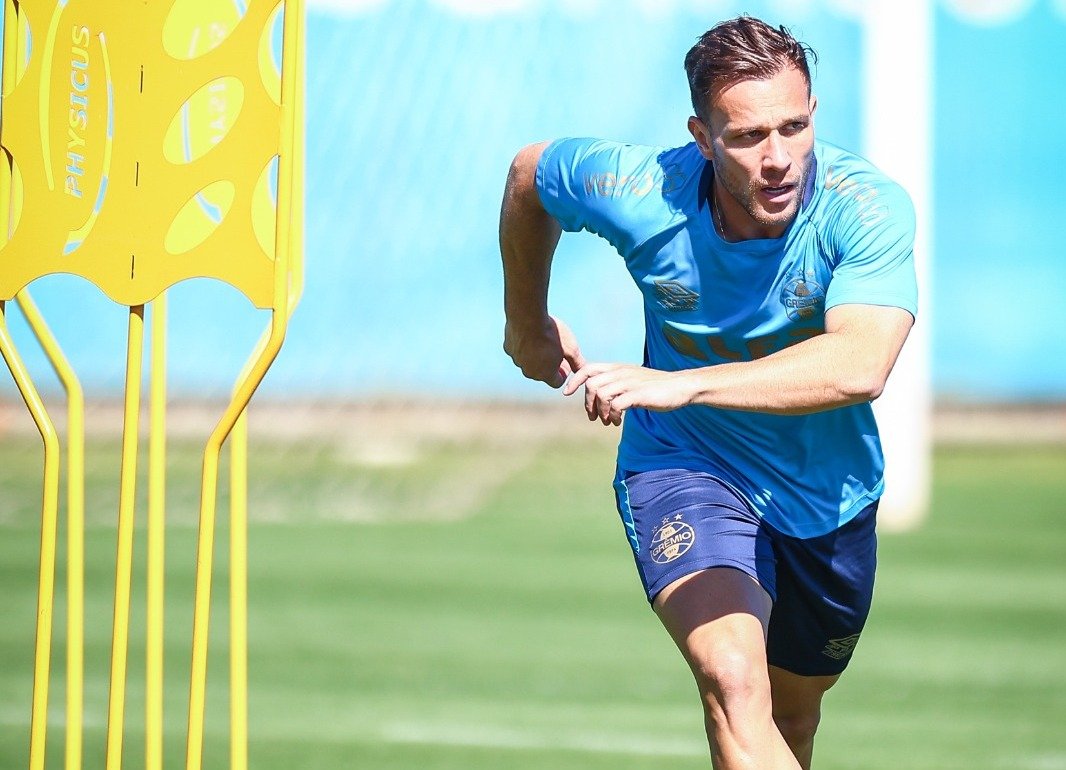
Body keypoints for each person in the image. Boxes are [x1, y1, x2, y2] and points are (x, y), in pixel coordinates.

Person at [498, 14, 917, 770]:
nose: (778, 159)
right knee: (731, 683)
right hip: (686, 466)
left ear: (815, 114)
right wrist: (524, 323)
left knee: (790, 717)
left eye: (794, 127)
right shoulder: (636, 189)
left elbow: (860, 364)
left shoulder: (865, 208)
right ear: (701, 137)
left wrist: (680, 384)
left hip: (829, 495)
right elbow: (531, 174)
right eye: (749, 137)